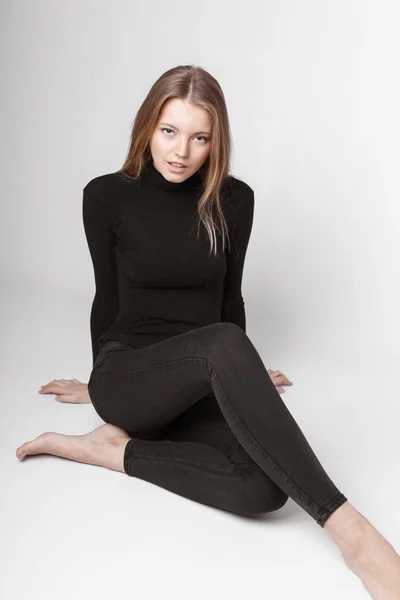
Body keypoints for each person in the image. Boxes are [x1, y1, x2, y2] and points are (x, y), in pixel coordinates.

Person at [16, 65, 400, 598]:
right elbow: (106, 299)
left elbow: (229, 301)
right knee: (221, 344)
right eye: (169, 132)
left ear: (216, 141)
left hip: (196, 377)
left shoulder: (234, 201)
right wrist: (99, 383)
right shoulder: (106, 196)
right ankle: (356, 537)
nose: (181, 152)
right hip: (128, 375)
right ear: (147, 127)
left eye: (199, 138)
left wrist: (239, 374)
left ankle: (110, 453)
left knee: (265, 487)